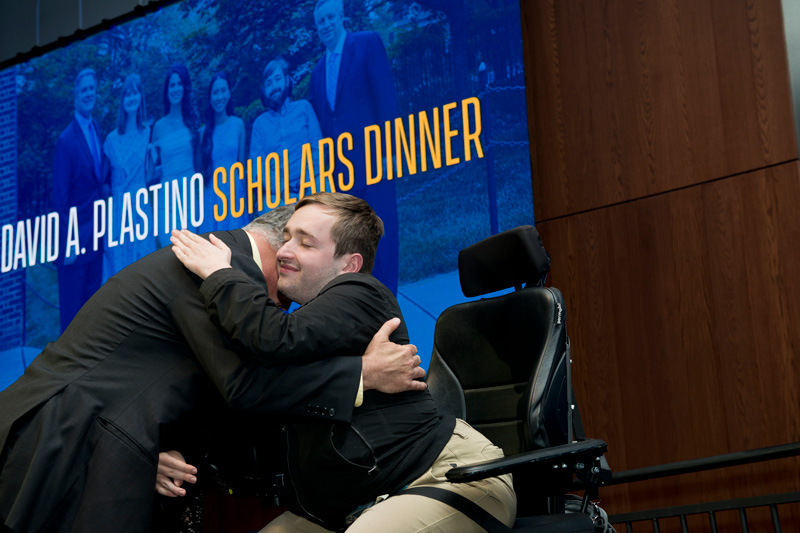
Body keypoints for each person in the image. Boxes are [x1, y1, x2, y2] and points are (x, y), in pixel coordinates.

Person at [0, 206, 422, 533]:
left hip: (94, 436)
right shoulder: (219, 268)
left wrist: (159, 449)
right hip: (58, 432)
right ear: (281, 250)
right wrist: (361, 375)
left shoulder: (224, 265)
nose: (286, 307)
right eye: (295, 249)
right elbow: (243, 386)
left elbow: (189, 385)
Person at [169, 192, 516, 532]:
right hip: (358, 504)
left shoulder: (362, 292)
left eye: (305, 243)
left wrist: (219, 274)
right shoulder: (314, 328)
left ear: (349, 264)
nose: (284, 251)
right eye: (287, 237)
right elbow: (262, 391)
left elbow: (272, 337)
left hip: (450, 479)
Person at [309, 0, 400, 294]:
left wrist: (390, 151)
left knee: (384, 235)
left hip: (376, 163)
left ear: (342, 17)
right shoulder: (317, 73)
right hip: (343, 175)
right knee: (356, 244)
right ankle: (367, 304)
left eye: (330, 17)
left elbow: (386, 101)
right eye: (320, 21)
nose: (325, 24)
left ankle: (390, 302)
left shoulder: (366, 43)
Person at [52, 67, 109, 332]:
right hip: (75, 247)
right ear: (75, 95)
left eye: (92, 89)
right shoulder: (66, 140)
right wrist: (70, 242)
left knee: (91, 316)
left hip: (95, 239)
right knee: (72, 322)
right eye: (84, 89)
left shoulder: (95, 129)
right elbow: (59, 200)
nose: (89, 94)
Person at [102, 73, 157, 280]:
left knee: (143, 266)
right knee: (119, 268)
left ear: (140, 97)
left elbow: (150, 176)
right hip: (117, 210)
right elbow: (103, 180)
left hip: (140, 205)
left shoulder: (147, 133)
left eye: (135, 93)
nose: (131, 98)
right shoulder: (111, 139)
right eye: (127, 94)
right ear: (122, 100)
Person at [250, 56, 323, 198]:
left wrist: (306, 183)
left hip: (310, 182)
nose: (274, 87)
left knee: (322, 187)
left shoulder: (304, 108)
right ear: (264, 91)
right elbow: (258, 168)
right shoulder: (259, 124)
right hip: (277, 193)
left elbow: (318, 150)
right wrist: (283, 190)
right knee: (267, 209)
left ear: (287, 80)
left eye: (278, 79)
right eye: (268, 83)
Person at [149, 64, 198, 246]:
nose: (175, 89)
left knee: (190, 251)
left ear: (184, 88)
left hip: (189, 195)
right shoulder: (158, 127)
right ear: (166, 90)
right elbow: (151, 173)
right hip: (166, 198)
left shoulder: (192, 122)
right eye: (171, 85)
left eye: (179, 84)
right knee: (168, 251)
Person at [198, 71, 246, 233]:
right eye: (215, 92)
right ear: (210, 98)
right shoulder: (203, 132)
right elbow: (200, 169)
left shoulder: (238, 124)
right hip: (212, 194)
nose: (219, 97)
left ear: (229, 93)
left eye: (223, 91)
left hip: (234, 191)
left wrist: (246, 199)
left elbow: (242, 166)